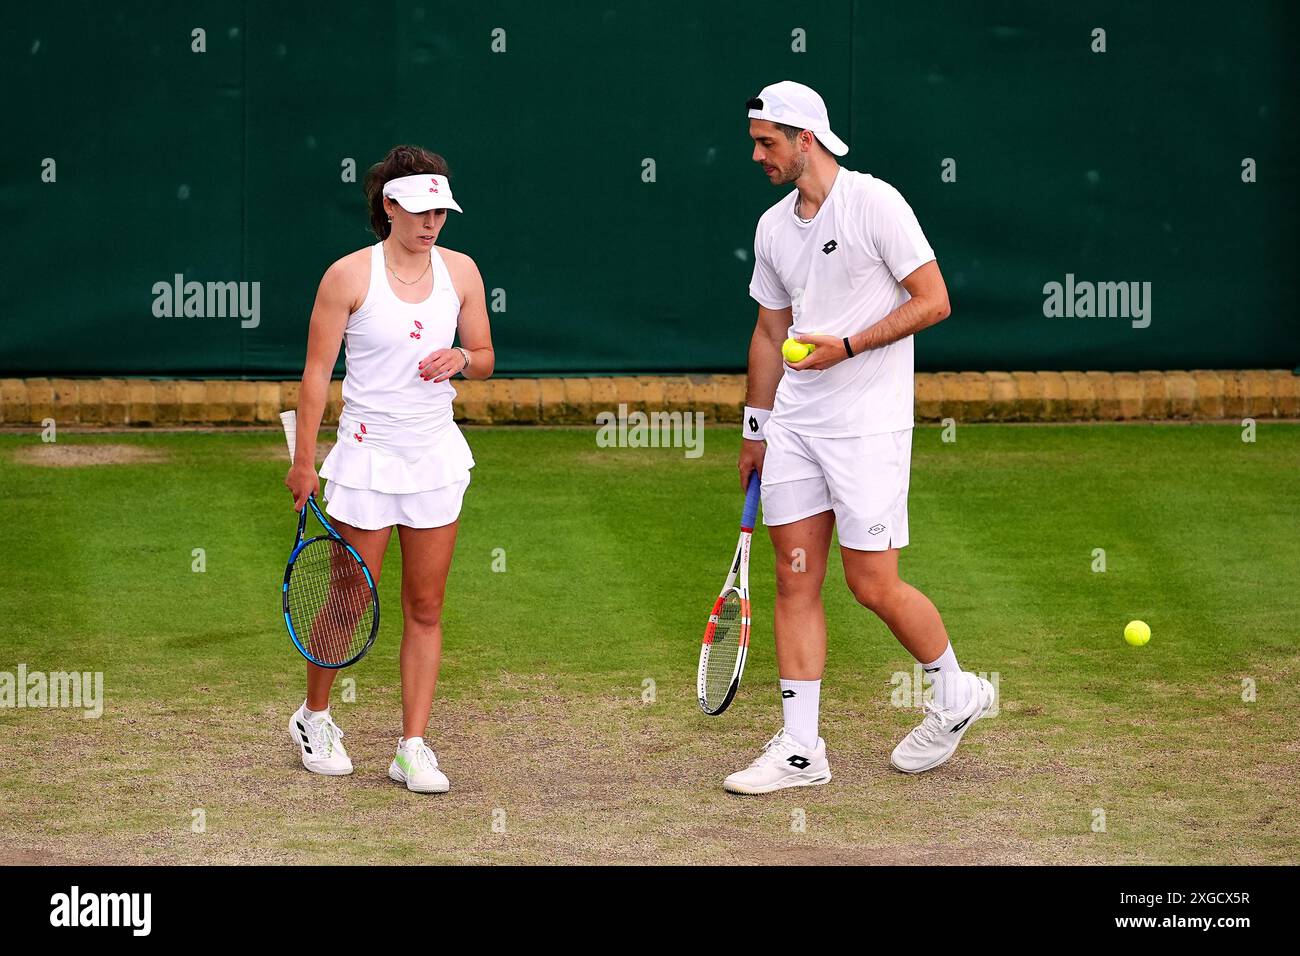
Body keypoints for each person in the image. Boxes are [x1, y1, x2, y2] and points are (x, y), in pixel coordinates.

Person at [725, 82, 995, 795]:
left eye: (766, 142)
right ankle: (801, 749)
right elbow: (768, 331)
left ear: (804, 140)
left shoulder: (875, 202)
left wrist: (848, 345)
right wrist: (757, 425)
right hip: (797, 424)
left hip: (869, 425)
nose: (756, 154)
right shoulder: (772, 226)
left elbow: (934, 300)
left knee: (872, 583)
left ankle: (954, 691)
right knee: (794, 577)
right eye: (755, 141)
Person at [284, 145, 494, 793]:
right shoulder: (347, 276)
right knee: (350, 599)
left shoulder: (461, 272)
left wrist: (460, 358)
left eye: (442, 210)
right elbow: (316, 374)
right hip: (366, 460)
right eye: (422, 209)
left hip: (435, 460)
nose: (434, 222)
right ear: (390, 206)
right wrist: (303, 461)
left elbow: (485, 355)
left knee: (426, 607)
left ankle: (412, 747)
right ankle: (314, 717)